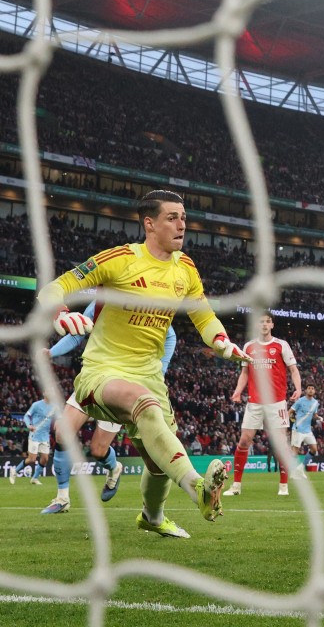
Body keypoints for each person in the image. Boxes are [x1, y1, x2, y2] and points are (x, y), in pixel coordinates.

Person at [36, 189, 247, 538]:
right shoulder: (119, 259)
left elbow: (204, 316)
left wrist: (222, 342)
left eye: (183, 217)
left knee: (158, 463)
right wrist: (60, 313)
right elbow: (57, 287)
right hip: (103, 372)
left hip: (150, 376)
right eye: (172, 217)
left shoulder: (186, 269)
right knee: (140, 403)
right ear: (149, 223)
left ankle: (152, 516)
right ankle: (199, 488)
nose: (182, 224)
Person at [40, 302, 177, 514]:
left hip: (121, 388)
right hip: (93, 378)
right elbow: (78, 334)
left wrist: (161, 370)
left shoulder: (148, 308)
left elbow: (170, 336)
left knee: (98, 450)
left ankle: (114, 468)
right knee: (61, 431)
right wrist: (51, 352)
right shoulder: (100, 304)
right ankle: (62, 497)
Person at [228, 314, 302, 497]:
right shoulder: (249, 346)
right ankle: (236, 485)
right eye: (260, 321)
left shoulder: (281, 345)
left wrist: (298, 389)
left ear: (272, 325)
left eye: (267, 321)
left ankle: (283, 485)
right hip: (254, 402)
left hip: (276, 403)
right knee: (244, 440)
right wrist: (238, 391)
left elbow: (293, 369)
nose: (264, 324)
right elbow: (245, 373)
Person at [9, 393, 54, 485]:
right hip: (35, 435)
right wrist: (29, 425)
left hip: (45, 436)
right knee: (32, 459)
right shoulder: (36, 405)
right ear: (45, 394)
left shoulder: (54, 406)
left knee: (45, 459)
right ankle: (14, 471)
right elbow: (26, 416)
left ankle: (35, 478)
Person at [290, 384, 320, 477]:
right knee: (295, 451)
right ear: (306, 391)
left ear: (314, 391)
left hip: (307, 430)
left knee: (314, 449)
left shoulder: (316, 403)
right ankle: (292, 471)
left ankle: (300, 468)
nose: (311, 390)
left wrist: (319, 418)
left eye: (312, 388)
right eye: (309, 388)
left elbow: (314, 415)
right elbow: (290, 411)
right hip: (298, 429)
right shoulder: (300, 401)